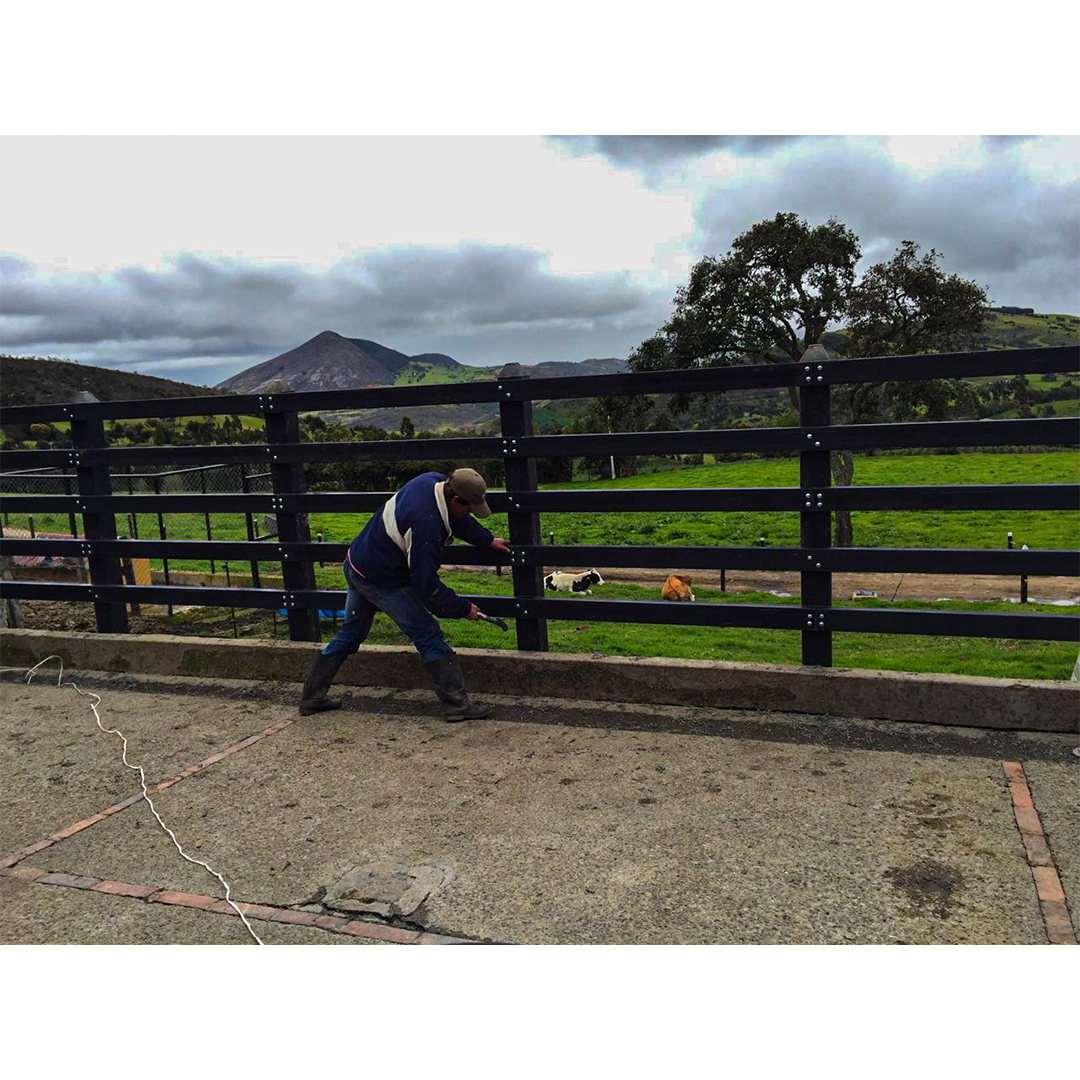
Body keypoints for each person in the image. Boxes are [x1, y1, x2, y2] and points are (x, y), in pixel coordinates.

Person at [299, 467, 510, 720]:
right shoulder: (426, 525)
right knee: (427, 633)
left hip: (356, 563)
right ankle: (457, 705)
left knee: (351, 634)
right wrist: (462, 608)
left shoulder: (431, 481)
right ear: (455, 499)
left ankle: (311, 696)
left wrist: (485, 539)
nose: (469, 512)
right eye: (468, 507)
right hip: (380, 579)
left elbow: (455, 517)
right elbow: (426, 586)